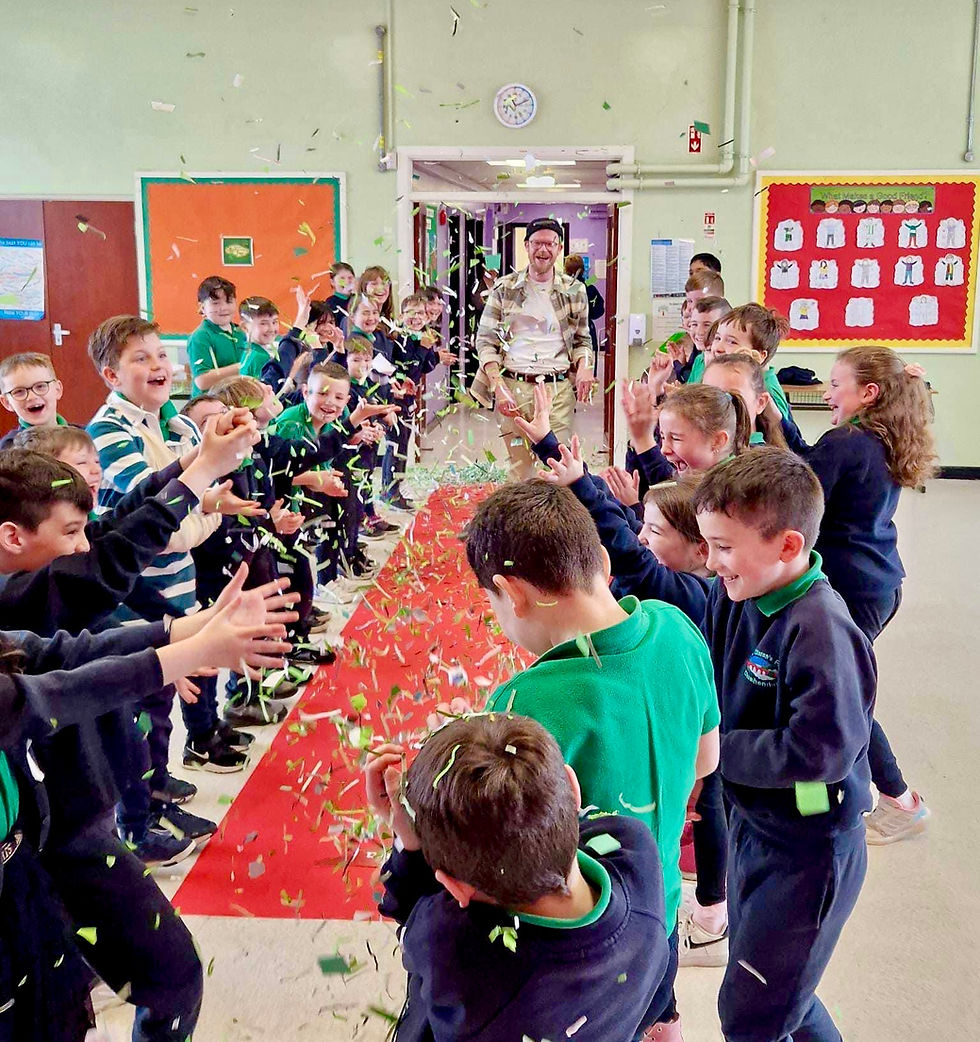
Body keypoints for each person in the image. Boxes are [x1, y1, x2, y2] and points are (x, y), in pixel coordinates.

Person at [465, 480, 719, 1041]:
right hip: (660, 908)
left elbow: (502, 852)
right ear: (603, 560)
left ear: (513, 592)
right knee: (654, 1005)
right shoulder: (677, 627)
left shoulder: (520, 704)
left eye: (493, 603)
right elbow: (707, 761)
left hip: (581, 934)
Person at [0, 561, 292, 1042]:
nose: (82, 546)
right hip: (23, 878)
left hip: (43, 849)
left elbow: (51, 654)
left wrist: (181, 631)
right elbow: (45, 698)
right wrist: (181, 653)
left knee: (169, 975)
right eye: (72, 533)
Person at [692, 447, 875, 1042]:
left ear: (788, 546)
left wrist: (715, 751)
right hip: (757, 827)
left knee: (752, 1014)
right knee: (774, 991)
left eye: (723, 546)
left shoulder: (820, 628)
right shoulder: (738, 593)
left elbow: (821, 751)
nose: (711, 561)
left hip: (810, 849)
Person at [367, 713, 675, 1042]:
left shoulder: (451, 948)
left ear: (455, 886)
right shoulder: (633, 848)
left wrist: (408, 844)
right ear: (573, 788)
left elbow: (410, 916)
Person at [772, 347, 937, 844]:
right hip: (878, 582)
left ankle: (898, 799)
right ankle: (850, 788)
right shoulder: (875, 437)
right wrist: (777, 421)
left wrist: (772, 428)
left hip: (856, 590)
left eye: (836, 385)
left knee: (847, 697)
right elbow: (812, 461)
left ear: (868, 393)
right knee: (839, 689)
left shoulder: (847, 442)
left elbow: (802, 487)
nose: (825, 393)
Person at [86, 316, 259, 781]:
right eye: (140, 358)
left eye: (162, 354)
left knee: (179, 686)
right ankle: (146, 805)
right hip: (138, 594)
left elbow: (197, 494)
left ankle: (170, 775)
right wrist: (204, 512)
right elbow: (158, 523)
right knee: (149, 707)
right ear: (112, 376)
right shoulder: (108, 432)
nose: (159, 364)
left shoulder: (176, 422)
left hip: (180, 580)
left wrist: (203, 501)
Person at [474, 217, 595, 480]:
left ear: (559, 248)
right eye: (537, 243)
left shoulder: (574, 290)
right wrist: (498, 386)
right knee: (521, 470)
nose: (543, 250)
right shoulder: (505, 288)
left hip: (557, 390)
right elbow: (485, 341)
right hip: (513, 388)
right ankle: (522, 521)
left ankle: (555, 522)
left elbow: (583, 340)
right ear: (526, 246)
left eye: (550, 244)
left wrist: (585, 367)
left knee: (558, 467)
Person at [698, 303, 794, 422]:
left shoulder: (768, 388)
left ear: (760, 355)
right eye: (717, 338)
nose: (718, 348)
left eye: (732, 342)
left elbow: (784, 434)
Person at [702, 354, 787, 448]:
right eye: (709, 396)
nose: (718, 407)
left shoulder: (764, 460)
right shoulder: (701, 451)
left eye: (732, 397)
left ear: (761, 403)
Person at [186, 275, 247, 395]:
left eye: (229, 301)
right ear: (202, 307)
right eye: (215, 303)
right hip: (210, 405)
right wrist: (243, 367)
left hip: (237, 400)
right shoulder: (200, 337)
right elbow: (202, 381)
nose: (223, 308)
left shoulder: (241, 332)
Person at [0, 351, 71, 450]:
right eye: (19, 391)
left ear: (57, 390)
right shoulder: (10, 448)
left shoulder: (85, 436)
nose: (32, 397)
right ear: (7, 402)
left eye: (40, 386)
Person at [676, 296, 731, 384]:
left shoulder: (732, 365)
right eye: (694, 324)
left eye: (707, 325)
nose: (699, 332)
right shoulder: (699, 359)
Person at [564, 253, 605, 357]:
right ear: (582, 270)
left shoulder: (561, 289)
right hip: (587, 332)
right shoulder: (589, 288)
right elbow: (599, 311)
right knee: (586, 365)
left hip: (565, 335)